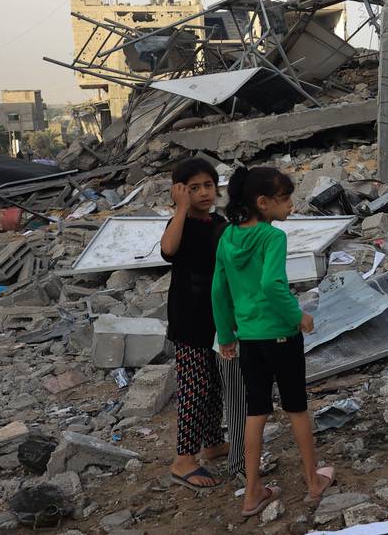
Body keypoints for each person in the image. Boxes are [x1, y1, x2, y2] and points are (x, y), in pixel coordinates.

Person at [211, 166, 333, 517]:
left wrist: (226, 335)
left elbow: (219, 290)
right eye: (285, 199)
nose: (291, 205)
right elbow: (271, 284)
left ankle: (252, 492)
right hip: (280, 334)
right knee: (296, 408)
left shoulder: (227, 237)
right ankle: (313, 481)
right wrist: (298, 316)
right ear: (262, 202)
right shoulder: (272, 238)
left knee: (256, 411)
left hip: (249, 338)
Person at [160, 158, 237, 491]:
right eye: (194, 188)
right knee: (196, 386)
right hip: (188, 317)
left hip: (215, 316)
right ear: (180, 191)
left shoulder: (218, 223)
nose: (204, 193)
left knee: (214, 382)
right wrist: (180, 209)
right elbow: (168, 250)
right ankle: (184, 458)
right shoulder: (180, 224)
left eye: (208, 185)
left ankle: (213, 442)